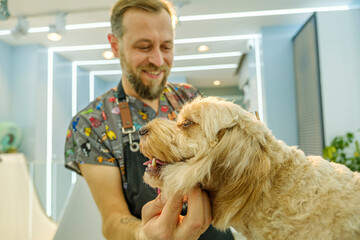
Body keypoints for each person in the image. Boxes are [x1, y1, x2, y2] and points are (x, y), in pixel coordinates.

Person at [64, 0, 234, 239]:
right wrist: (144, 234)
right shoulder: (92, 123)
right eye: (144, 47)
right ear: (115, 45)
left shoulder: (189, 98)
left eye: (166, 47)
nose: (157, 60)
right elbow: (113, 219)